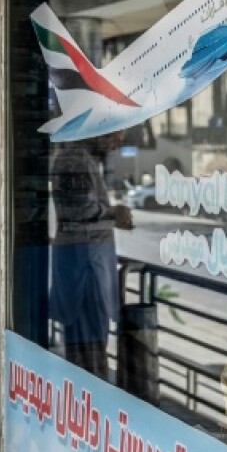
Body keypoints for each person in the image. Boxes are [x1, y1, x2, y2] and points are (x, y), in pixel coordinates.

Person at [48, 132, 133, 380]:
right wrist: (112, 213)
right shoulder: (73, 159)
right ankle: (91, 397)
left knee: (93, 342)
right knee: (88, 345)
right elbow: (80, 209)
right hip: (84, 266)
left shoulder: (83, 159)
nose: (116, 145)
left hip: (87, 261)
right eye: (114, 137)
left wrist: (111, 216)